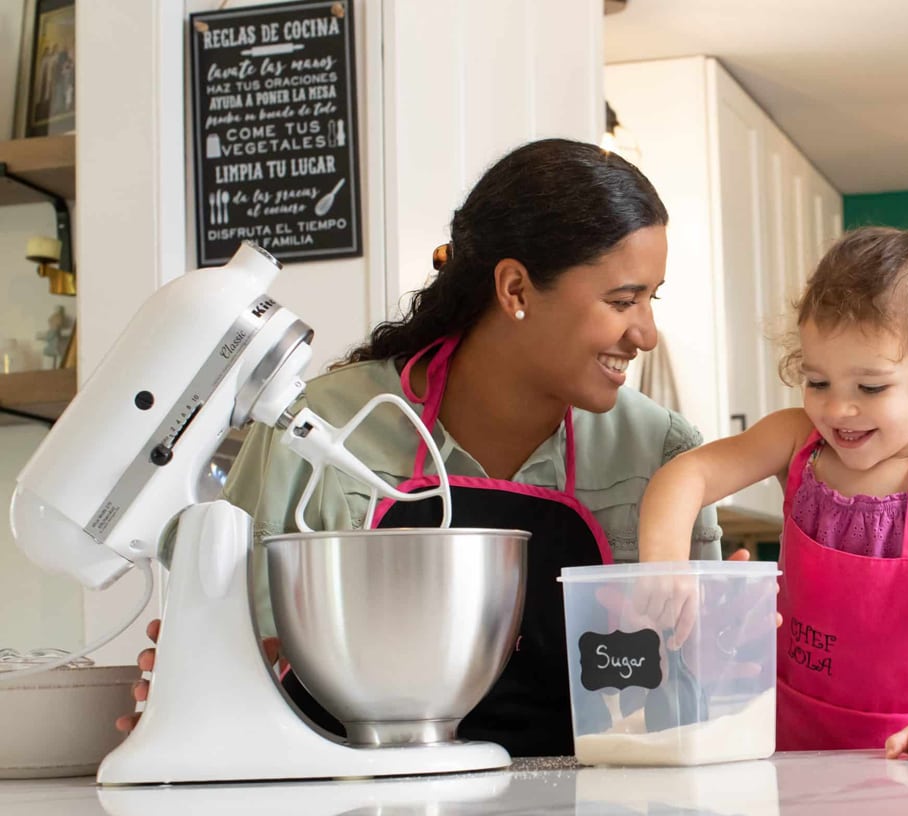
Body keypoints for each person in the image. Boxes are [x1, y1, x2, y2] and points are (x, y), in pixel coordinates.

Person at [125, 138, 734, 756]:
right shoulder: (313, 430)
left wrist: (725, 642)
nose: (647, 334)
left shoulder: (662, 455)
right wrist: (187, 683)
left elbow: (689, 712)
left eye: (650, 300)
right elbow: (228, 666)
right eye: (622, 300)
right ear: (516, 289)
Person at [635, 213, 908, 761]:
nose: (838, 408)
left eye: (871, 385)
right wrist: (666, 568)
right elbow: (686, 474)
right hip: (790, 741)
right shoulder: (797, 443)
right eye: (817, 381)